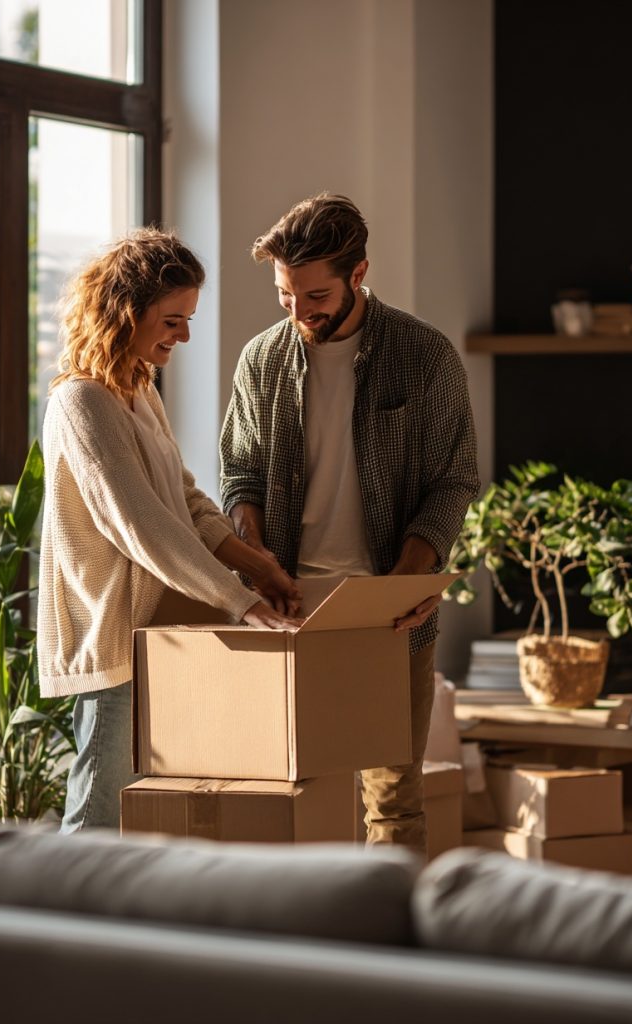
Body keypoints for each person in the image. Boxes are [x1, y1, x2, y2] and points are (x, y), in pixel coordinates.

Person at [219, 193, 480, 852]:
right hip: (288, 607)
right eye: (285, 295)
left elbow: (452, 482)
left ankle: (389, 950)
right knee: (290, 795)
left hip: (389, 612)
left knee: (392, 803)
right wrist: (258, 565)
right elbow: (240, 477)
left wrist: (406, 584)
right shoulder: (260, 361)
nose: (298, 312)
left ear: (357, 274)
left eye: (313, 297)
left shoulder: (425, 356)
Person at [37, 228, 303, 833]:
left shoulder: (137, 389)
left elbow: (185, 500)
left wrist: (258, 566)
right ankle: (52, 928)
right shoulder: (82, 402)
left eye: (188, 319)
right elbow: (141, 525)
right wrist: (240, 602)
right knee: (95, 821)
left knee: (143, 824)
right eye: (173, 319)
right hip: (115, 642)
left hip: (161, 639)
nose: (184, 335)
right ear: (127, 312)